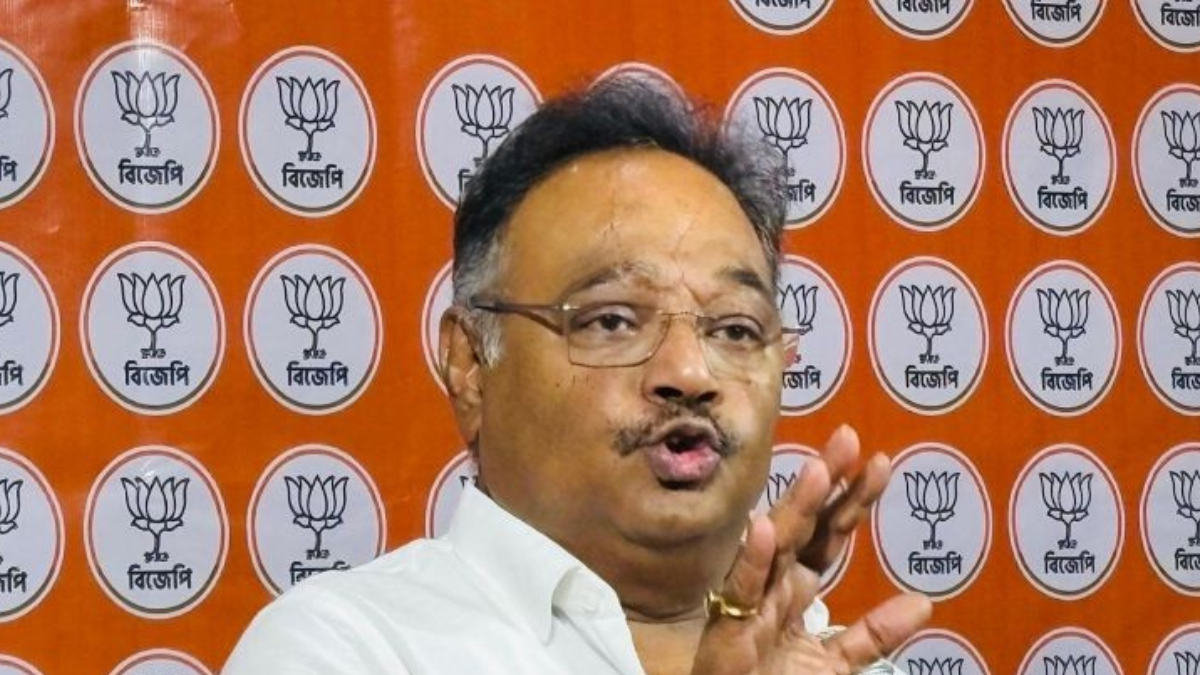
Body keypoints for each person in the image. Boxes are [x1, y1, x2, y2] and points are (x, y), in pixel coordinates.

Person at [223, 76, 931, 675]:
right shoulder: (341, 646)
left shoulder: (843, 664)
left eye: (735, 329)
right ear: (470, 363)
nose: (690, 373)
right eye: (612, 320)